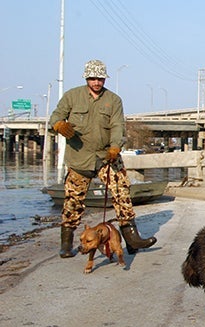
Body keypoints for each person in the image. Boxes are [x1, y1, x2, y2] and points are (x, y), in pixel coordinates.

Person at [49, 59, 157, 259]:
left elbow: (118, 126)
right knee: (73, 202)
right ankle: (66, 243)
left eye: (100, 79)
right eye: (93, 78)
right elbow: (55, 117)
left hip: (107, 156)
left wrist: (116, 146)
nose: (97, 82)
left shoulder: (114, 100)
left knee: (122, 193)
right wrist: (58, 125)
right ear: (86, 78)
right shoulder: (71, 96)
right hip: (79, 158)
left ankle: (132, 238)